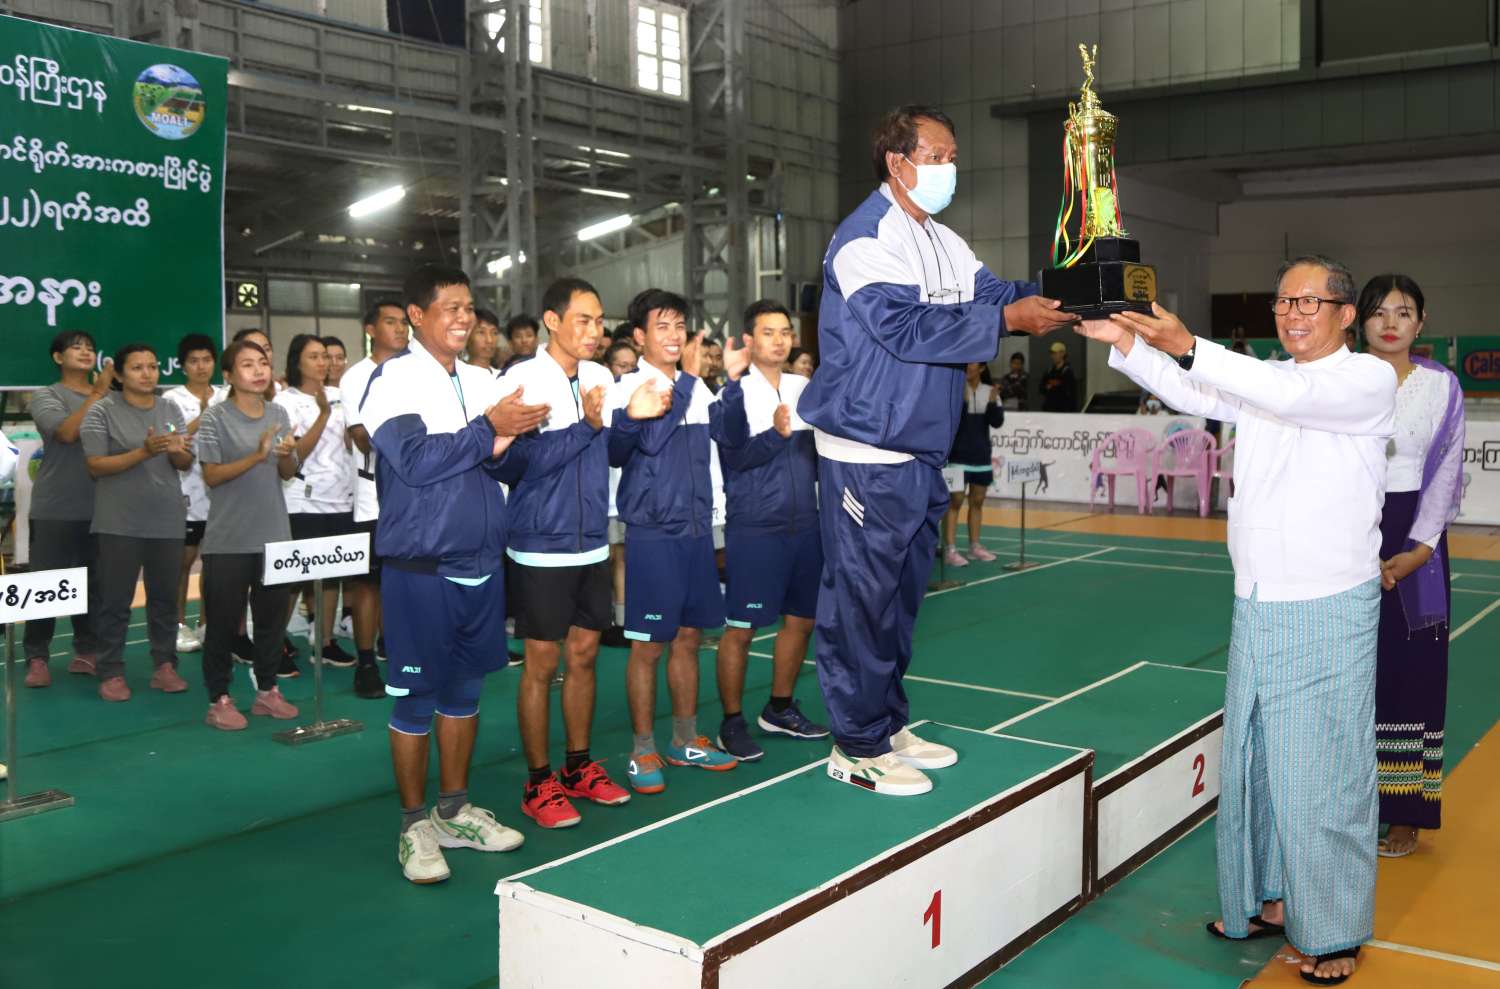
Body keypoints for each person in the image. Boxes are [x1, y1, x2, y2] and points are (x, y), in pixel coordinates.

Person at [1077, 255, 1395, 985]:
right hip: (1257, 598)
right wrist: (1125, 342)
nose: (1292, 314)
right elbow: (1196, 387)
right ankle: (1268, 899)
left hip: (1326, 606)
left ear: (1347, 314)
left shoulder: (1365, 379)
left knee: (1324, 773)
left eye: (1309, 302)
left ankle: (1334, 928)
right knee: (1258, 762)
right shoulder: (1270, 381)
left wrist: (1187, 342)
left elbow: (1264, 385)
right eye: (1283, 302)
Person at [797, 104, 1074, 796]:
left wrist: (1073, 291)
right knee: (862, 600)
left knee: (900, 600)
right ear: (898, 162)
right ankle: (855, 744)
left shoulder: (944, 240)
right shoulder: (864, 238)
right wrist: (1006, 319)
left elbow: (997, 294)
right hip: (867, 448)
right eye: (937, 156)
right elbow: (905, 327)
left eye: (953, 157)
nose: (950, 168)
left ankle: (886, 723)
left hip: (921, 448)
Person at [361, 262, 546, 884]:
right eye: (451, 307)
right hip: (422, 564)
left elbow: (501, 464)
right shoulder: (394, 379)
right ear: (417, 316)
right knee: (417, 697)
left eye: (469, 307)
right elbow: (414, 461)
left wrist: (512, 441)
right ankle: (414, 825)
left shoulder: (483, 378)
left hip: (481, 560)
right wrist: (489, 429)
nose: (465, 317)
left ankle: (453, 811)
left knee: (465, 693)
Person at [503, 278, 662, 827]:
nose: (595, 331)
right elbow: (516, 464)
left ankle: (577, 766)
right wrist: (587, 426)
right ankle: (537, 781)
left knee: (585, 656)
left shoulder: (599, 376)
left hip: (592, 539)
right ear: (552, 321)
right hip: (540, 543)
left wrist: (631, 419)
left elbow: (611, 452)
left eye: (599, 321)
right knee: (541, 665)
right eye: (583, 320)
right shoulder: (521, 380)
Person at [607, 287, 739, 794]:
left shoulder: (697, 388)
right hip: (653, 533)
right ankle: (642, 749)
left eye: (680, 326)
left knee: (689, 637)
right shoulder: (630, 388)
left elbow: (724, 447)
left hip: (696, 530)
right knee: (648, 646)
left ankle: (685, 739)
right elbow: (650, 440)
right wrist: (685, 379)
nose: (674, 335)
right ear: (639, 337)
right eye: (662, 326)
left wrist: (730, 383)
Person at [1357, 274, 1464, 859]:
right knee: (1354, 674)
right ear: (1359, 321)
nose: (1390, 322)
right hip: (1350, 535)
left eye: (1403, 312)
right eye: (1379, 311)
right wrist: (1356, 543)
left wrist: (1419, 549)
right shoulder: (1343, 379)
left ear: (1421, 322)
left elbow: (1446, 471)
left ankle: (1405, 812)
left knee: (1413, 671)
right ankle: (1354, 803)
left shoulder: (1441, 385)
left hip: (1418, 542)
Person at [711, 300, 830, 761]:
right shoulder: (731, 392)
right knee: (741, 628)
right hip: (756, 526)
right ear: (748, 340)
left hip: (806, 525)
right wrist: (775, 436)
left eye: (785, 332)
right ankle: (731, 722)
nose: (779, 340)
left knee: (801, 620)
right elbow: (734, 457)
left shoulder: (804, 388)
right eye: (768, 332)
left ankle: (779, 708)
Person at [196, 340, 303, 729]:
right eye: (247, 364)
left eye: (262, 363)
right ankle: (219, 699)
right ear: (228, 375)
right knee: (223, 624)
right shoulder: (215, 418)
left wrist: (286, 454)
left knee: (272, 622)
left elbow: (288, 472)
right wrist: (256, 457)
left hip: (273, 534)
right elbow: (211, 476)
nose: (258, 370)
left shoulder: (278, 412)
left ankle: (267, 691)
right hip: (228, 539)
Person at [81, 343, 195, 702]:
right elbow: (95, 466)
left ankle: (165, 665)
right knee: (115, 601)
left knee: (164, 599)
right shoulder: (101, 411)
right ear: (119, 374)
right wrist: (143, 452)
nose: (147, 374)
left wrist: (178, 452)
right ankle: (111, 670)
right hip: (119, 521)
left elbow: (184, 461)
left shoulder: (169, 408)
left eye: (152, 366)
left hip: (166, 518)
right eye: (137, 367)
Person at [22, 331, 109, 688]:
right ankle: (37, 656)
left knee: (93, 585)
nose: (86, 352)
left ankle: (87, 651)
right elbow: (67, 433)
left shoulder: (110, 398)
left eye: (90, 347)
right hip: (55, 506)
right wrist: (98, 394)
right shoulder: (47, 395)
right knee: (45, 584)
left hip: (102, 507)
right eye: (76, 347)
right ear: (58, 357)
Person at [274, 334, 356, 676]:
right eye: (314, 356)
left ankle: (323, 643)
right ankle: (273, 644)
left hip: (342, 499)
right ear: (297, 362)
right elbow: (294, 456)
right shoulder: (285, 402)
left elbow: (352, 446)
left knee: (332, 576)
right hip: (302, 501)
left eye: (326, 356)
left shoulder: (341, 395)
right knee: (294, 579)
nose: (324, 362)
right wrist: (323, 414)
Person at [339, 299, 407, 699]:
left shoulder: (416, 371)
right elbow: (362, 436)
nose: (400, 329)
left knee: (404, 581)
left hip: (414, 495)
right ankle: (365, 664)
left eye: (404, 322)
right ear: (370, 330)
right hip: (373, 496)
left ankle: (396, 650)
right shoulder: (356, 377)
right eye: (390, 322)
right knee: (368, 583)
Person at [162, 333, 226, 655]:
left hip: (222, 492)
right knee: (183, 561)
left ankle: (206, 622)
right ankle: (177, 624)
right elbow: (171, 437)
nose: (201, 367)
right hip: (185, 490)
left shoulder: (227, 395)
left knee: (214, 563)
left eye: (207, 360)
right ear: (183, 365)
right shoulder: (170, 400)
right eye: (194, 361)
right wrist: (201, 418)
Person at [942, 363, 1003, 568]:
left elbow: (997, 422)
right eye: (966, 363)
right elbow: (950, 421)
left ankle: (975, 546)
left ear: (982, 368)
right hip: (958, 457)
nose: (968, 367)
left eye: (972, 363)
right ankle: (950, 549)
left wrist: (993, 402)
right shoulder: (954, 389)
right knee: (955, 501)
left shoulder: (990, 392)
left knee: (977, 501)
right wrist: (963, 403)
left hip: (982, 457)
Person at [601, 340, 640, 648]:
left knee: (623, 559)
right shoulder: (601, 396)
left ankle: (623, 621)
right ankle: (601, 620)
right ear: (608, 367)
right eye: (621, 365)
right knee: (606, 560)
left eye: (632, 367)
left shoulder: (640, 397)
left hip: (626, 495)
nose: (627, 372)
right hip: (602, 495)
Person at [466, 307, 506, 374]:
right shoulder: (458, 376)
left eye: (494, 333)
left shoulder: (502, 377)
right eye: (481, 332)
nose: (489, 340)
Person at [1041, 341, 1078, 412]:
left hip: (1063, 411)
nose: (1053, 356)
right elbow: (1041, 388)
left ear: (1062, 354)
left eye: (1055, 353)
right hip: (1050, 409)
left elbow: (1070, 394)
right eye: (1052, 354)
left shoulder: (1068, 372)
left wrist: (1052, 388)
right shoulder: (1049, 371)